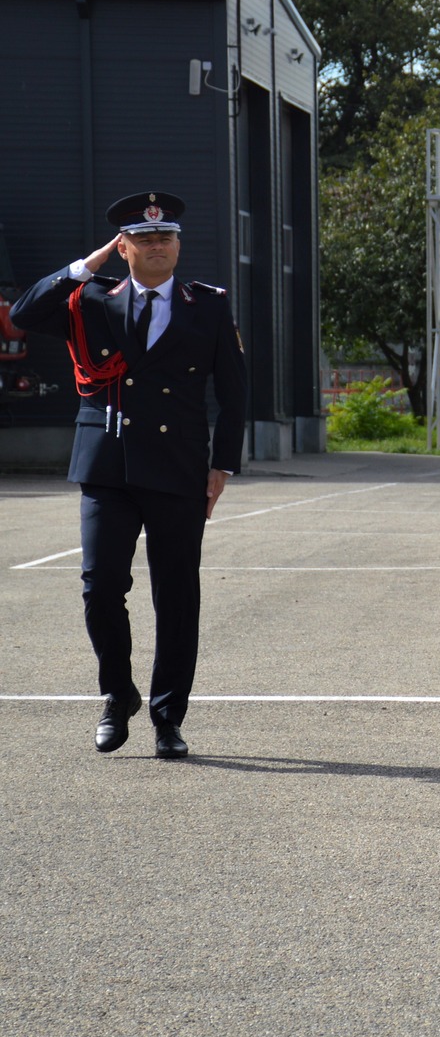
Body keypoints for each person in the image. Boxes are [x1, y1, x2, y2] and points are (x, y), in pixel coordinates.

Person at [8, 192, 247, 760]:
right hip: (107, 464)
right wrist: (86, 265)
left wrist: (223, 464)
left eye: (165, 237)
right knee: (100, 588)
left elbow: (234, 392)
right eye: (143, 239)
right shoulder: (90, 299)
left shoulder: (207, 305)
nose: (156, 245)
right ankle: (118, 696)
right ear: (124, 247)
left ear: (178, 245)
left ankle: (168, 717)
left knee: (176, 593)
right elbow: (22, 314)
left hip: (178, 465)